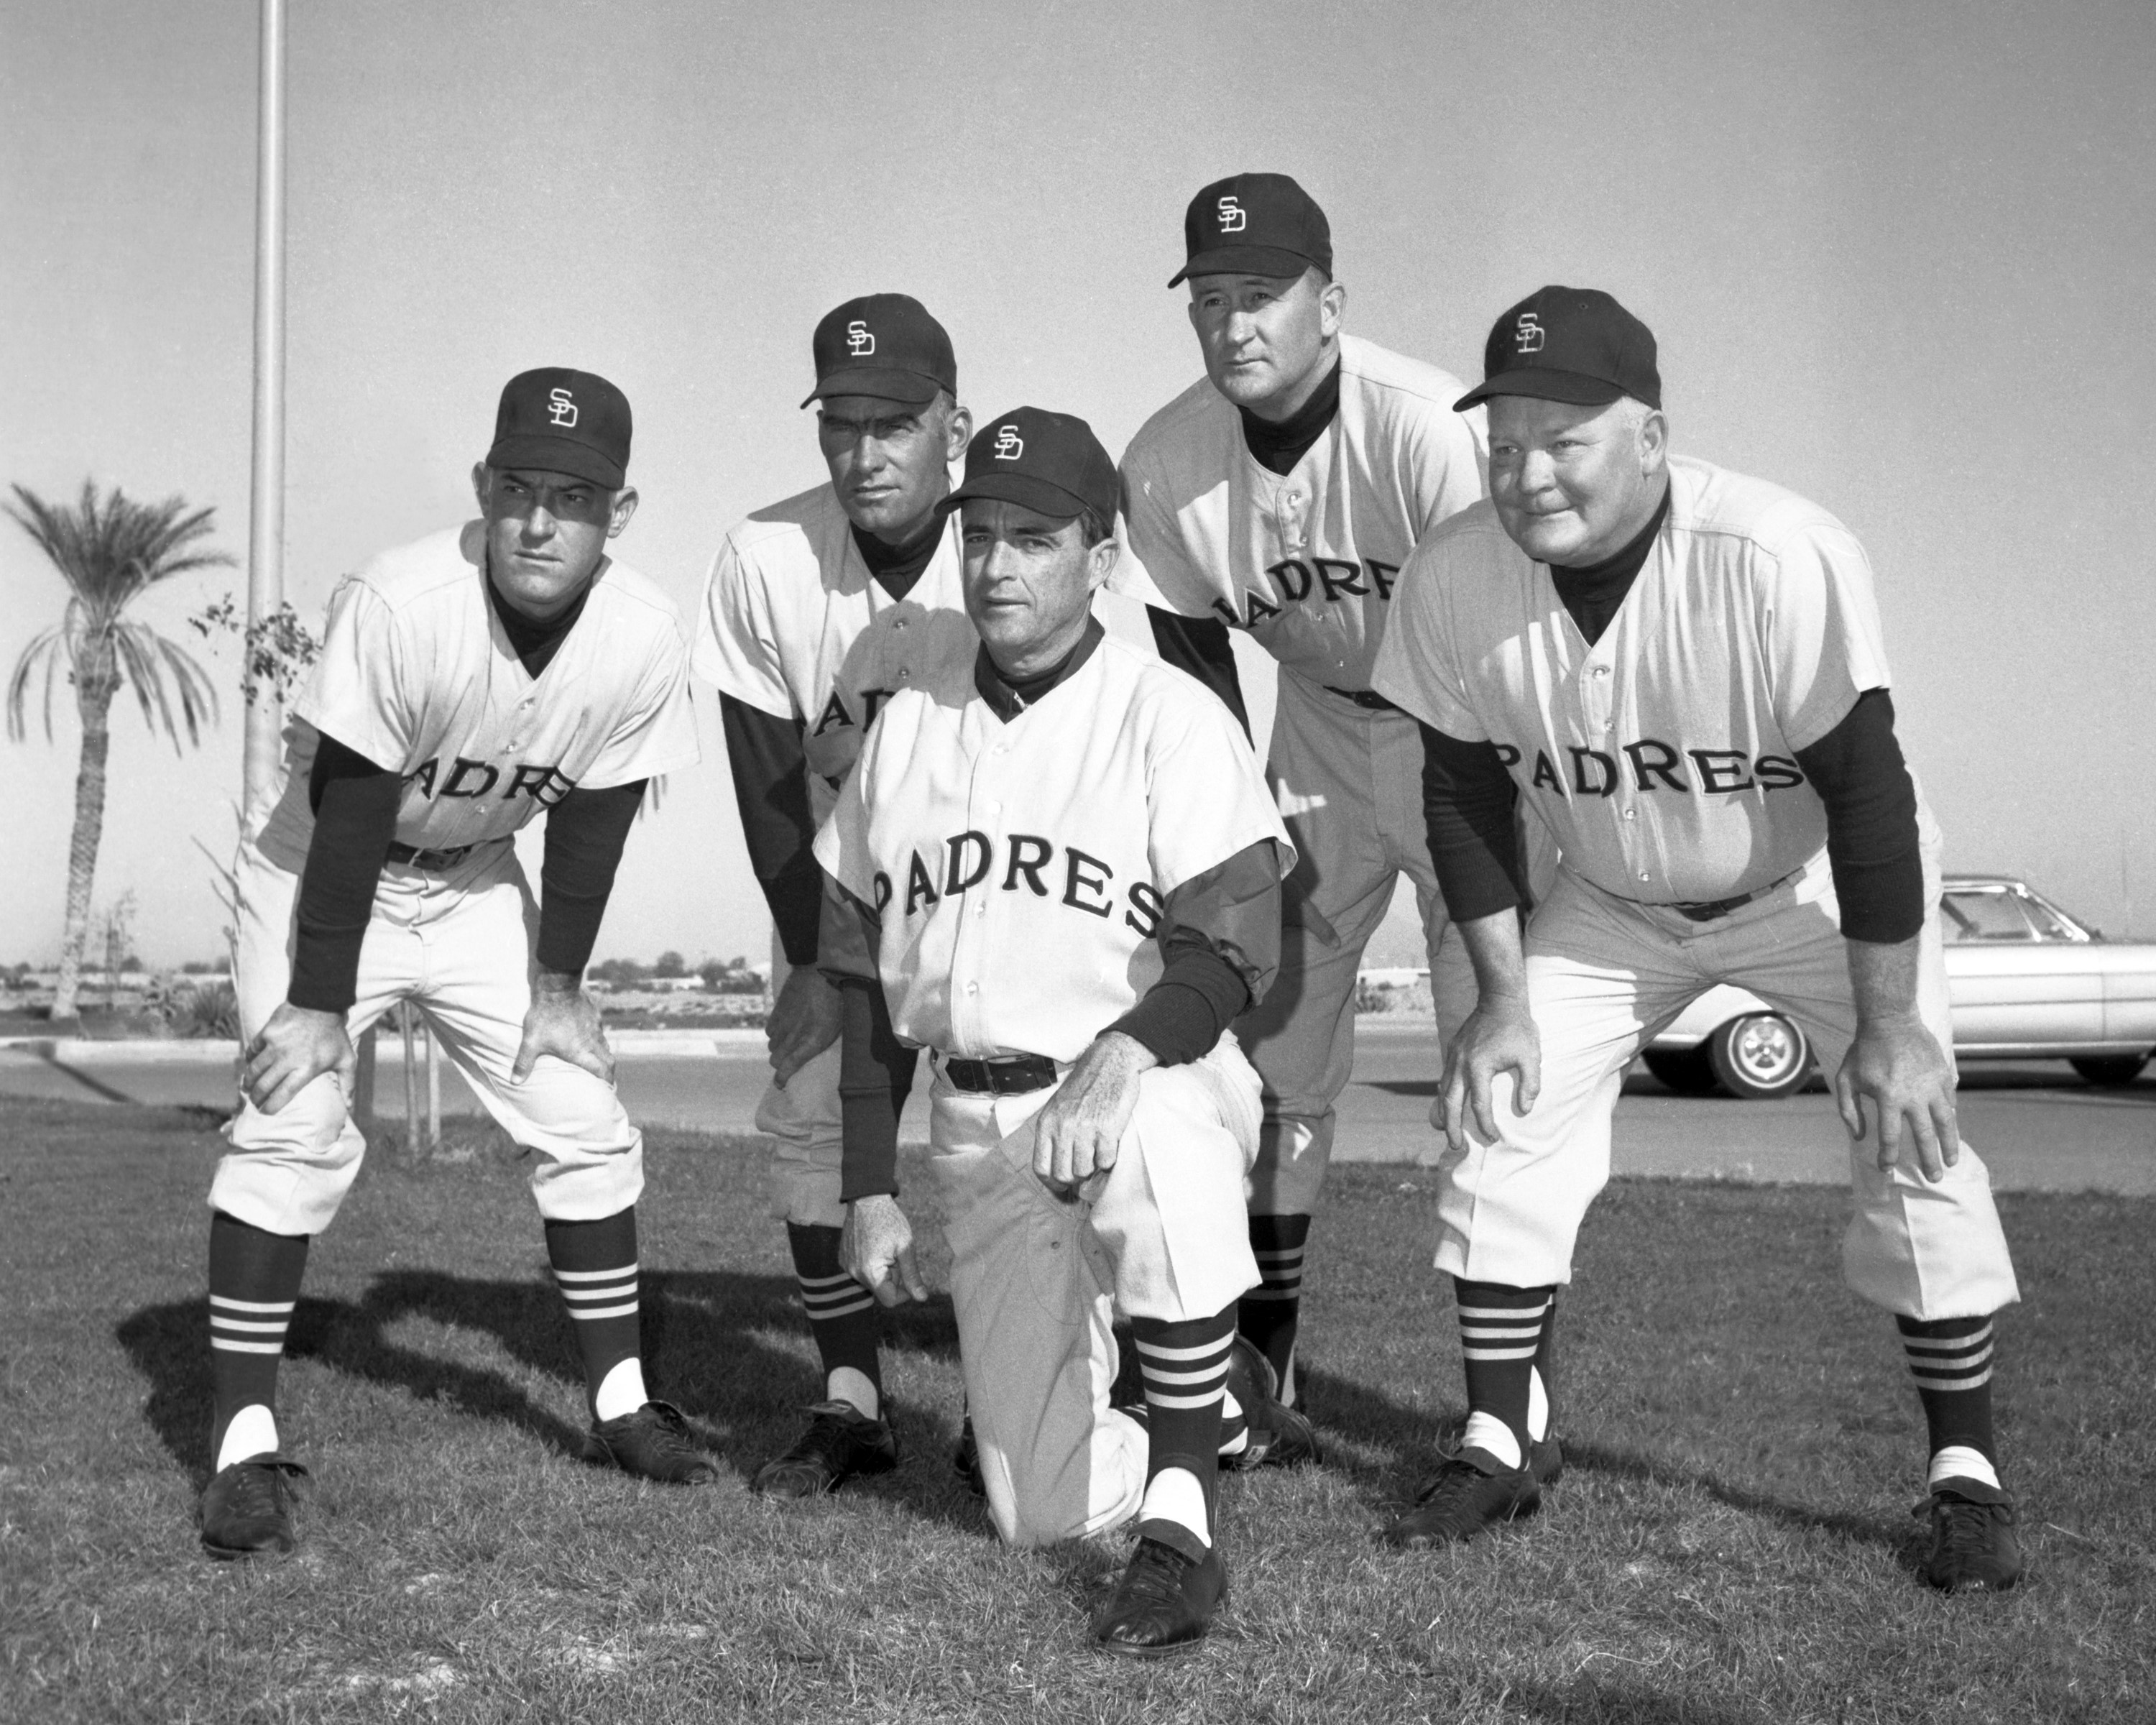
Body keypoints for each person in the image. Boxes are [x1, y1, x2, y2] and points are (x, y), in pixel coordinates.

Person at [1369, 286, 2023, 1592]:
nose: (1528, 472)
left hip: (1808, 883)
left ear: (1652, 440)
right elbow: (1463, 794)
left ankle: (1968, 1477)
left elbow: (1872, 794)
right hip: (1612, 901)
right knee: (1506, 1098)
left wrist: (1891, 1027)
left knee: (1914, 1133)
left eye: (1565, 440)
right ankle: (1505, 1434)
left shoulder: (1774, 552)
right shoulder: (1454, 571)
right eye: (1504, 444)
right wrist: (1501, 996)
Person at [198, 368, 709, 1560]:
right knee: (291, 1120)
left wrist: (560, 987)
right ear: (484, 487)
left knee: (579, 1109)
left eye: (574, 498)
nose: (541, 521)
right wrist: (320, 1002)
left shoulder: (640, 633)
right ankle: (237, 1444)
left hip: (476, 882)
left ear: (617, 516)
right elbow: (349, 803)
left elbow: (592, 818)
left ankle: (623, 1405)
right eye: (521, 488)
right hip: (327, 871)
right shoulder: (405, 597)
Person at [817, 408, 1295, 1655]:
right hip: (980, 1128)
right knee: (1035, 1512)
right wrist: (871, 1188)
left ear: (1104, 556)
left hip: (1145, 1071)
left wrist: (1127, 1052)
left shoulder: (1168, 713)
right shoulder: (906, 725)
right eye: (982, 534)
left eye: (1036, 539)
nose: (998, 566)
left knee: (1156, 1133)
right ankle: (1217, 1402)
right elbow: (859, 980)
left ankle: (1184, 1533)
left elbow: (1238, 942)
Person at [1115, 172, 1549, 1432]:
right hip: (1313, 730)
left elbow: (1507, 634)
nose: (1234, 324)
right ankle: (1261, 1364)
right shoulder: (1167, 460)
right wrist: (1232, 838)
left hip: (1466, 737)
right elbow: (1199, 681)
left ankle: (1512, 1404)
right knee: (1267, 1050)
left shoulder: (1425, 427)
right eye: (1210, 299)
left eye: (1263, 296)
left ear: (1331, 301)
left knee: (1498, 1060)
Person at [693, 293, 977, 1496]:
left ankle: (1037, 1381)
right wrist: (816, 960)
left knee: (1007, 1125)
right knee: (815, 1118)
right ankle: (851, 1393)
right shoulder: (767, 554)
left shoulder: (1007, 537)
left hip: (985, 887)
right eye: (841, 423)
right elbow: (768, 787)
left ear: (953, 426)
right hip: (830, 885)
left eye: (895, 423)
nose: (865, 453)